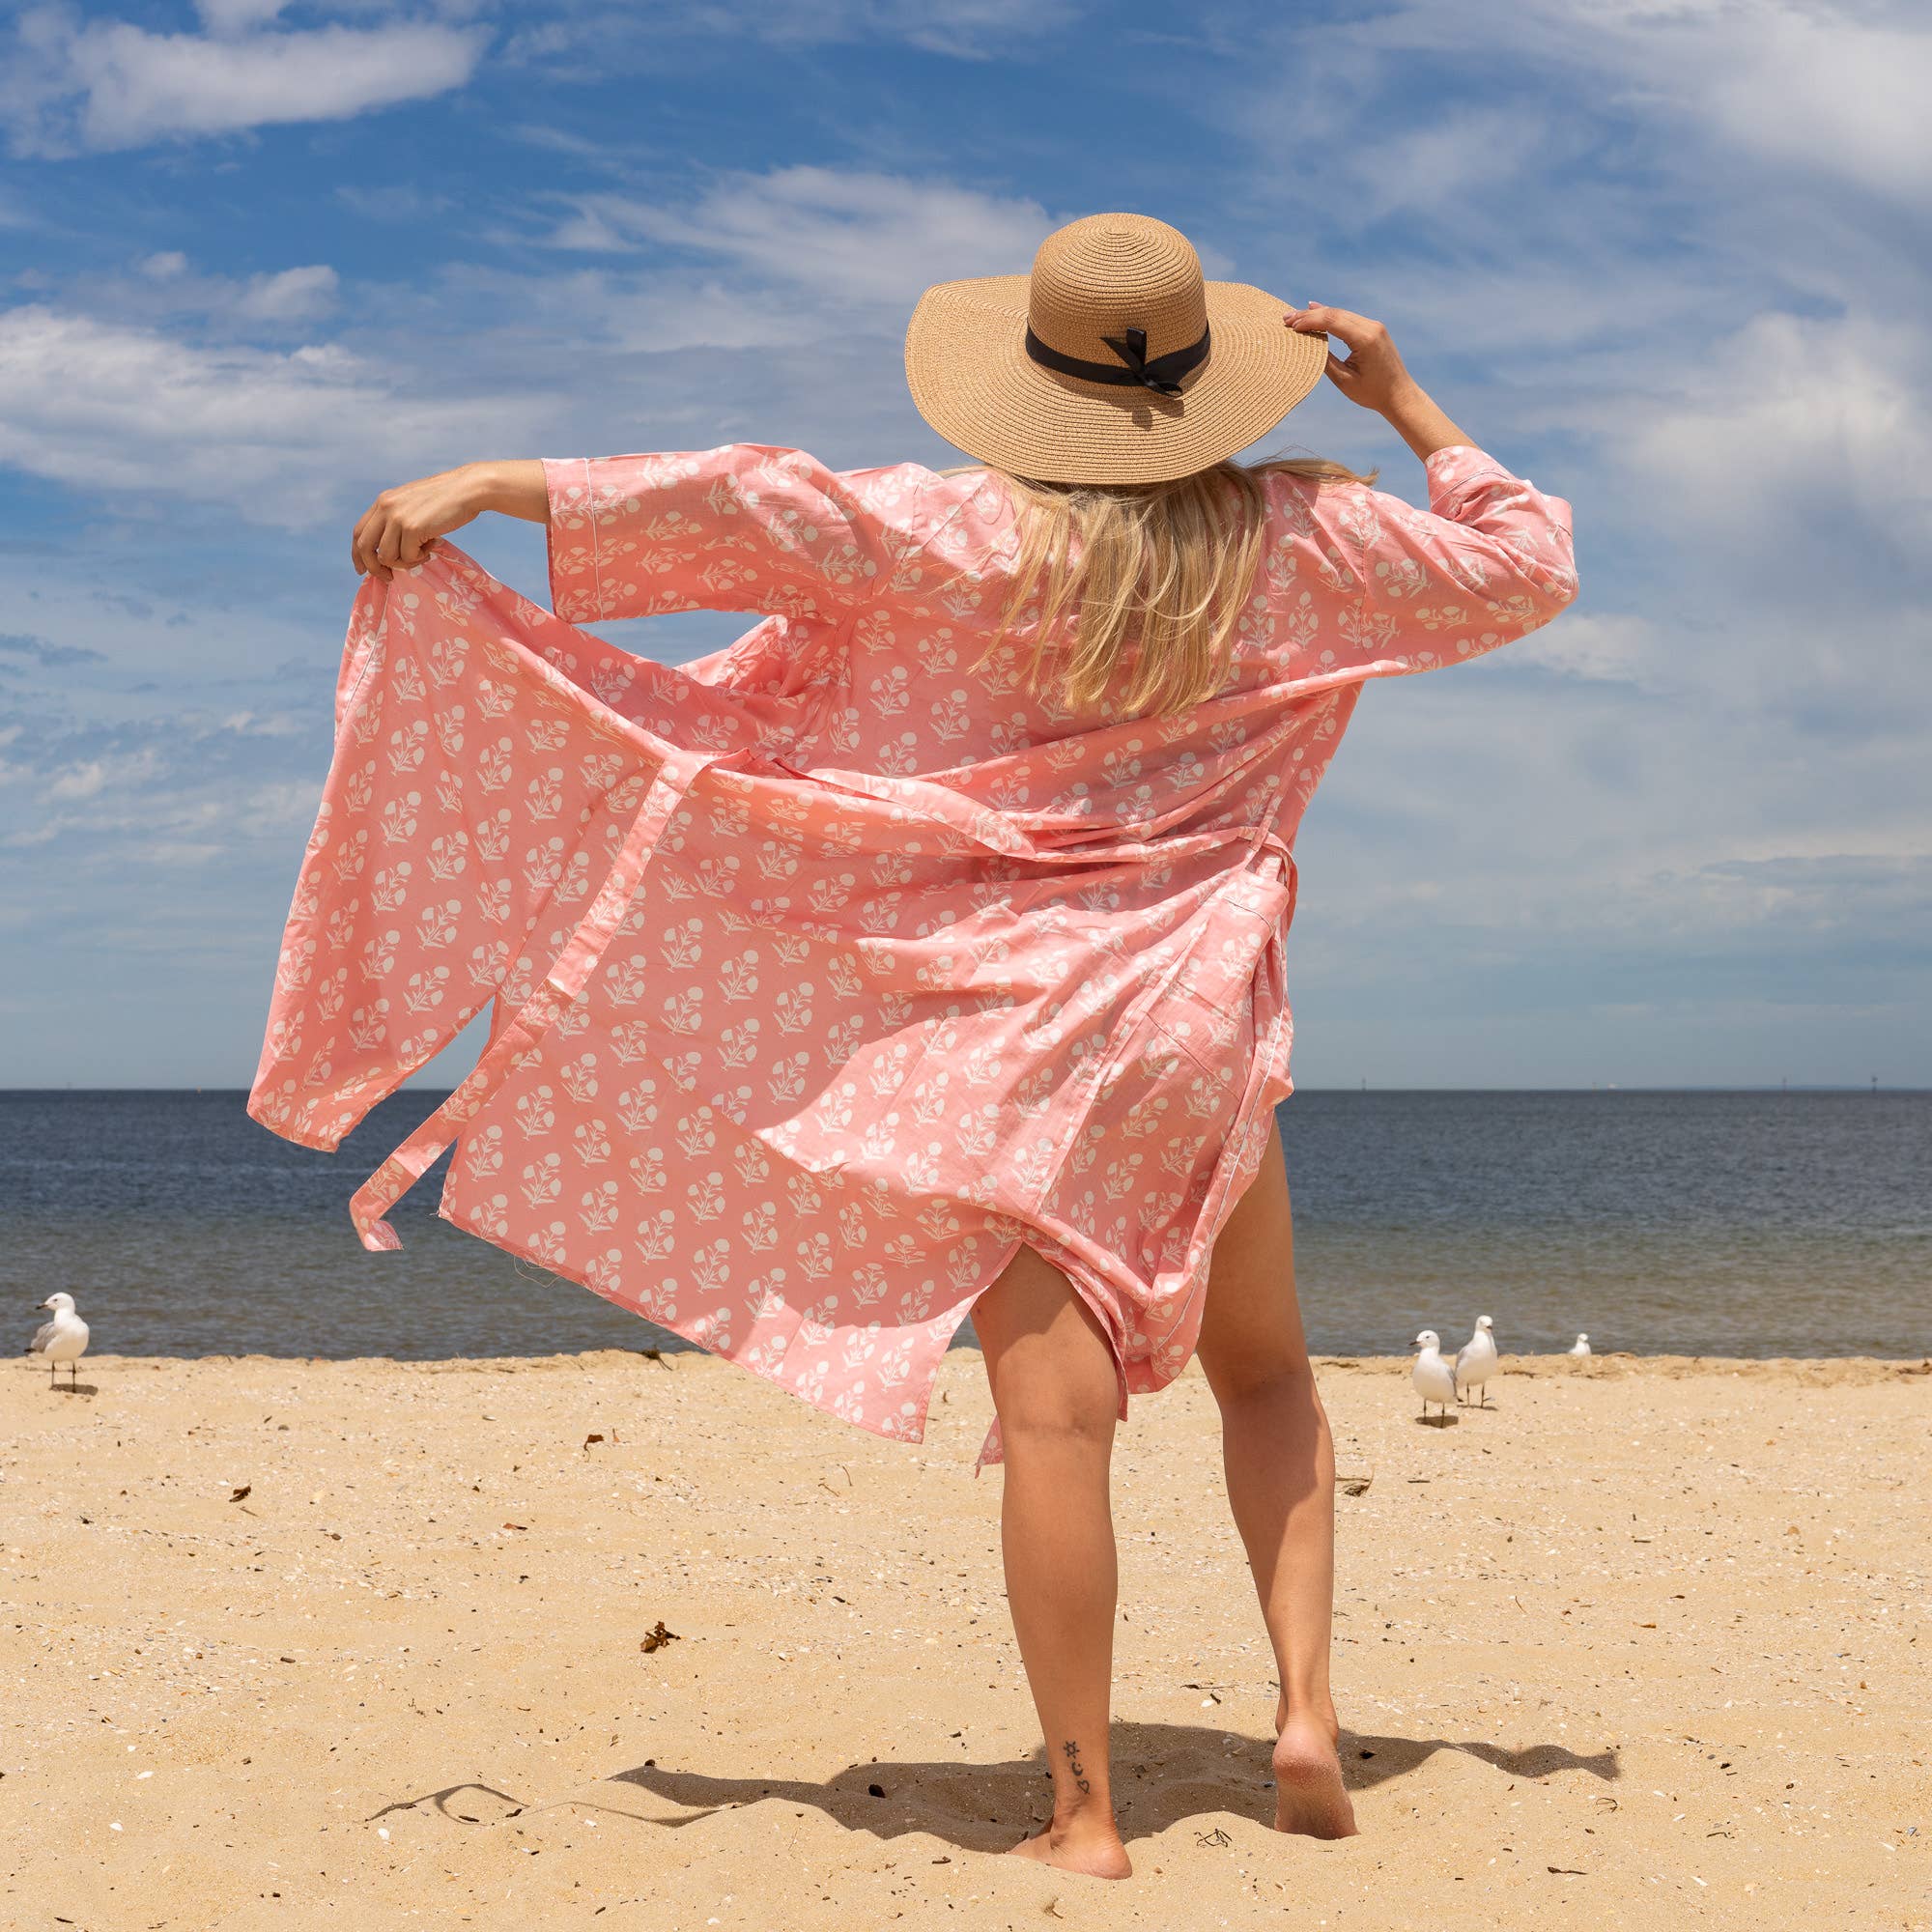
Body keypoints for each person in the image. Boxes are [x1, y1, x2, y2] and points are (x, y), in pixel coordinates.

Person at [293, 213, 1576, 1881]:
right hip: (1192, 1017)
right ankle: (1309, 1716)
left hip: (1008, 1037)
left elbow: (763, 498)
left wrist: (490, 481)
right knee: (1265, 1373)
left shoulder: (958, 533)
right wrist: (1410, 405)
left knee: (1057, 1425)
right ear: (1215, 388)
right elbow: (1529, 559)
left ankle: (1087, 1817)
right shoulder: (1304, 540)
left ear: (1031, 379)